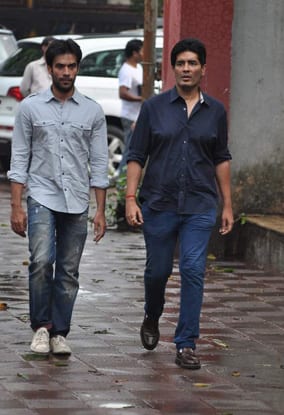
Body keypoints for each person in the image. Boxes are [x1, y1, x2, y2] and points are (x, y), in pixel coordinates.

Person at [125, 38, 234, 370]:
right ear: (172, 69)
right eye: (181, 63)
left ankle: (186, 343)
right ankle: (152, 314)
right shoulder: (153, 108)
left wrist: (227, 204)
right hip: (159, 203)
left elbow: (221, 158)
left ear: (203, 68)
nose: (186, 69)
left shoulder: (215, 111)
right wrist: (130, 197)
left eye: (193, 63)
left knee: (192, 269)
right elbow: (135, 155)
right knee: (157, 272)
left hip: (200, 204)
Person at [8, 39, 109, 356]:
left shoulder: (92, 111)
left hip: (77, 199)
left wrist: (101, 210)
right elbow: (19, 159)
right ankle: (41, 327)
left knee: (68, 270)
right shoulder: (30, 108)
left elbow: (100, 163)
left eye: (72, 66)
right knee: (41, 261)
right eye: (60, 66)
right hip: (41, 194)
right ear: (49, 68)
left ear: (78, 67)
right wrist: (15, 206)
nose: (66, 72)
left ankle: (60, 332)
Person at [117, 38, 143, 176]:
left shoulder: (139, 67)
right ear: (135, 53)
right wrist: (140, 99)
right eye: (142, 50)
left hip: (139, 115)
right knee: (129, 149)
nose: (145, 53)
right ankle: (121, 180)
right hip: (130, 116)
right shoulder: (126, 70)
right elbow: (122, 92)